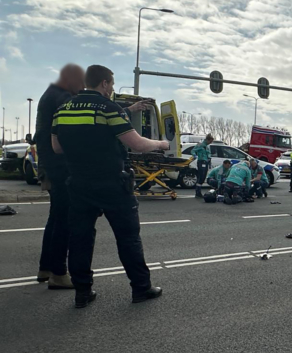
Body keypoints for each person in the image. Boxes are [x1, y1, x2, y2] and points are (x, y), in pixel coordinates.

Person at [51, 64, 168, 308]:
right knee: (128, 238)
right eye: (112, 84)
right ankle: (140, 288)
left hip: (79, 184)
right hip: (112, 184)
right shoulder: (109, 108)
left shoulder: (62, 110)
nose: (112, 89)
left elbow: (57, 147)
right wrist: (161, 144)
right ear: (104, 83)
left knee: (80, 239)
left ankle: (82, 292)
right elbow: (136, 144)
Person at [34, 64, 85, 289]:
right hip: (61, 167)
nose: (82, 87)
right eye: (81, 82)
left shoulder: (50, 94)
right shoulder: (62, 97)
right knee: (64, 220)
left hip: (50, 166)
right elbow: (76, 126)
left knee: (55, 218)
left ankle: (46, 267)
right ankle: (58, 273)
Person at [191, 134, 214, 198]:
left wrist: (209, 159)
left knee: (203, 177)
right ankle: (197, 192)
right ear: (207, 140)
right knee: (201, 177)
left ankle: (199, 191)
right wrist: (195, 155)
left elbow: (208, 153)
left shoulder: (207, 146)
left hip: (206, 162)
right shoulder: (200, 144)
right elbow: (193, 150)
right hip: (201, 161)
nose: (210, 143)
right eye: (210, 141)